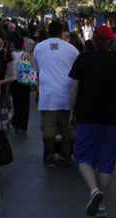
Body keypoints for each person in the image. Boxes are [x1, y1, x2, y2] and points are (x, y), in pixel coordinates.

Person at [68, 25, 116, 218]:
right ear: (112, 41)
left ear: (93, 40)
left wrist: (72, 112)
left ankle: (94, 189)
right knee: (106, 163)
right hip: (111, 118)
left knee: (83, 156)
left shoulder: (84, 59)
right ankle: (102, 204)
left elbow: (73, 89)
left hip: (87, 115)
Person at [33, 20, 80, 168]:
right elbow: (77, 69)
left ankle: (49, 156)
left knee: (48, 128)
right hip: (67, 94)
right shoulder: (72, 49)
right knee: (68, 128)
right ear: (62, 32)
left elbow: (37, 68)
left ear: (48, 31)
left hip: (48, 95)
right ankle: (66, 154)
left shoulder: (39, 48)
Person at [9, 38, 33, 134]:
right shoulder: (26, 55)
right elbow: (31, 66)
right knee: (25, 103)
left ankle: (16, 122)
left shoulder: (11, 55)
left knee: (16, 102)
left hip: (14, 81)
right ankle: (23, 125)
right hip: (24, 80)